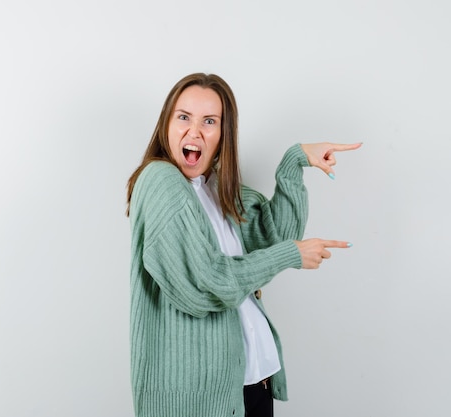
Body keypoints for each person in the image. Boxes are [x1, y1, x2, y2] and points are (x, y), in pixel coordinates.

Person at [126, 73, 361, 417]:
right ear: (167, 125)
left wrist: (294, 163)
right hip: (199, 399)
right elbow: (205, 282)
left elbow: (275, 237)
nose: (195, 131)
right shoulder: (160, 180)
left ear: (223, 134)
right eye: (183, 117)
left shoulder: (216, 188)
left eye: (209, 121)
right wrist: (290, 255)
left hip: (253, 380)